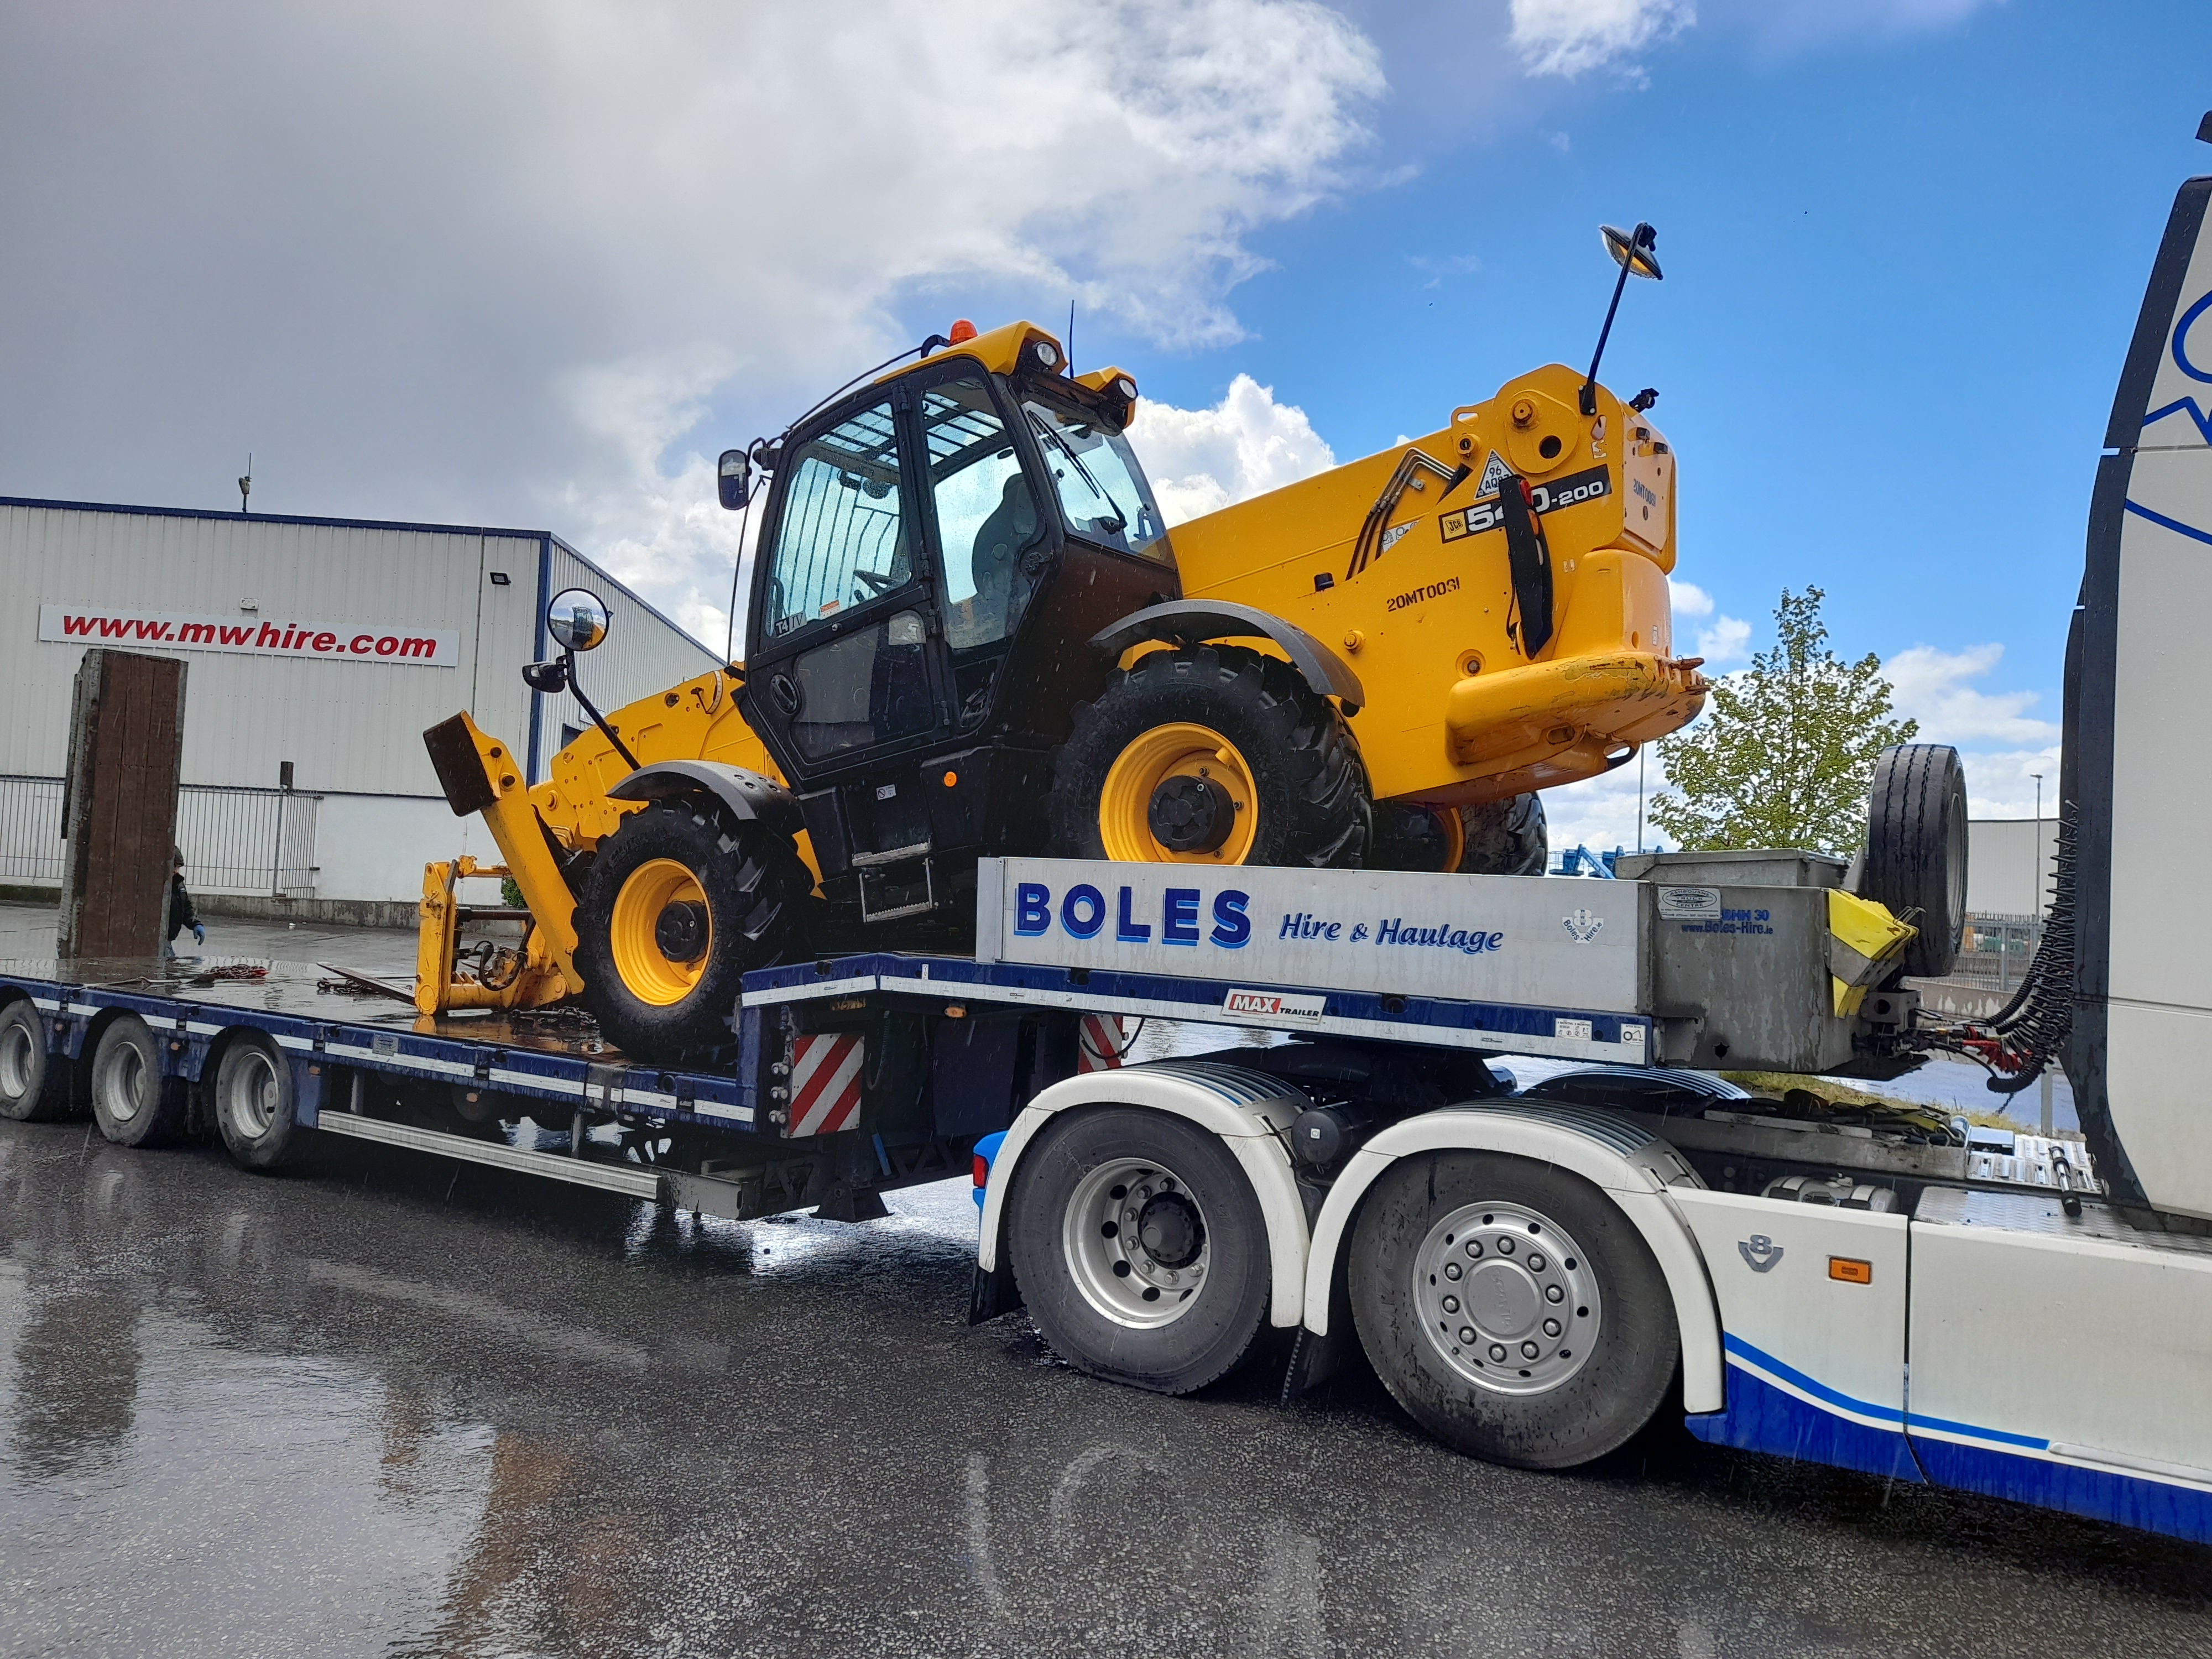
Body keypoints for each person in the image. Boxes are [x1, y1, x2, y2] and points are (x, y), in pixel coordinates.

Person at [167, 848, 204, 954]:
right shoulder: (157, 885)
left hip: (168, 939)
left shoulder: (178, 883)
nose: (176, 871)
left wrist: (196, 924)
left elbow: (185, 906)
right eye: (174, 866)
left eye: (178, 867)